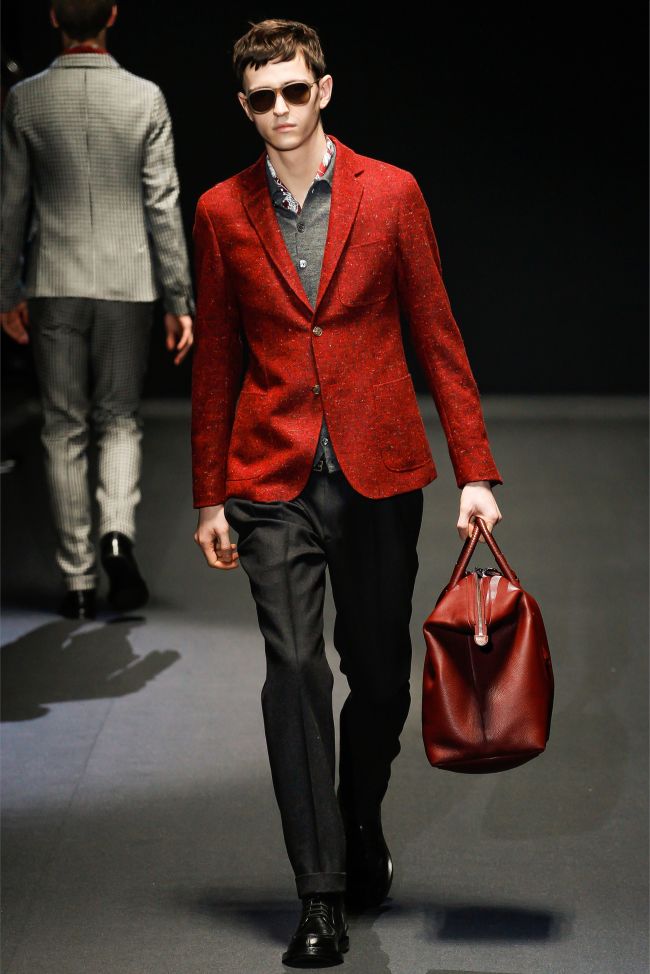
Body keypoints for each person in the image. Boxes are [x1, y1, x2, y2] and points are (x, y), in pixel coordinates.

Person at [191, 18, 503, 968]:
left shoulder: (392, 193)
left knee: (375, 677)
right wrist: (210, 494)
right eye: (260, 98)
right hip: (269, 476)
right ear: (242, 105)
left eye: (294, 90)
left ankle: (358, 817)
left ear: (325, 88)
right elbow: (216, 361)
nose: (279, 110)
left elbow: (437, 335)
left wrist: (476, 471)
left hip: (377, 473)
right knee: (294, 673)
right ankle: (318, 893)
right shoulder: (218, 210)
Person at [0, 1, 195, 619]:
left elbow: (10, 206)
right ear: (113, 14)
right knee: (118, 417)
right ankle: (116, 532)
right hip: (128, 283)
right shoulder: (145, 98)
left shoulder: (25, 100)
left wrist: (7, 292)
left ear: (53, 16)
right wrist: (178, 297)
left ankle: (79, 580)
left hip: (54, 279)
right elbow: (162, 205)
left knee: (62, 425)